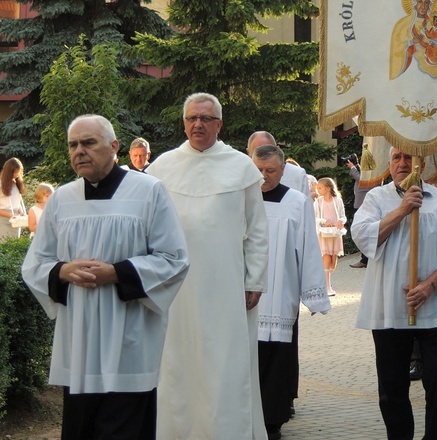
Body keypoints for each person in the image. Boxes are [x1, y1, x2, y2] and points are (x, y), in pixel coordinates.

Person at [21, 114, 189, 440]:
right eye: (73, 145)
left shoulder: (148, 191)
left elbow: (174, 259)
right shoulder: (61, 200)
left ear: (114, 147)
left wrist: (117, 273)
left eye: (88, 143)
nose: (79, 151)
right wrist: (62, 271)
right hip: (79, 342)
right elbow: (35, 264)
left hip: (130, 337)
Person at [147, 93, 269, 439]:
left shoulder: (241, 166)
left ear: (219, 124)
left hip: (227, 285)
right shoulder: (161, 168)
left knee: (224, 363)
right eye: (191, 118)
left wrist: (255, 278)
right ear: (183, 123)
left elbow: (257, 230)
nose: (197, 124)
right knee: (176, 364)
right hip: (175, 288)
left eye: (205, 118)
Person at [351, 147, 437, 440]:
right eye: (396, 157)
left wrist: (430, 284)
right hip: (390, 306)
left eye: (410, 157)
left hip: (434, 304)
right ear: (389, 163)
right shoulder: (377, 199)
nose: (403, 163)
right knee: (392, 387)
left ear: (423, 163)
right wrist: (403, 209)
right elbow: (363, 236)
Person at [251, 144, 330, 440]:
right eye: (258, 170)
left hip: (280, 294)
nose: (264, 176)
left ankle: (273, 422)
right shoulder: (240, 200)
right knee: (249, 358)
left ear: (283, 170)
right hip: (243, 297)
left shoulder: (296, 202)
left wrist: (313, 294)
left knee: (277, 359)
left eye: (270, 171)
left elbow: (309, 248)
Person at [390, 0, 437, 79]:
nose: (423, 6)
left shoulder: (433, 25)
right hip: (408, 71)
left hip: (428, 72)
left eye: (426, 2)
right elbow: (396, 47)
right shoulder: (402, 24)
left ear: (430, 5)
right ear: (413, 3)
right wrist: (411, 42)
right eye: (420, 1)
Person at [247, 131, 311, 199]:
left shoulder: (297, 175)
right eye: (258, 152)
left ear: (277, 149)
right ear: (249, 152)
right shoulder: (242, 176)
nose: (264, 176)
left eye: (270, 170)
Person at [314, 177, 346, 296]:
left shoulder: (337, 200)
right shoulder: (318, 202)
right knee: (326, 257)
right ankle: (327, 286)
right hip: (324, 233)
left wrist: (341, 221)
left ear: (328, 188)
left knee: (333, 259)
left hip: (335, 233)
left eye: (320, 187)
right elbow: (314, 217)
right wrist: (324, 221)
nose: (318, 190)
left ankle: (325, 280)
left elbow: (343, 215)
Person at [347, 153, 372, 269]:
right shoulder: (370, 173)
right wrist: (356, 166)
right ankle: (365, 259)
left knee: (362, 233)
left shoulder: (373, 175)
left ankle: (365, 260)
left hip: (364, 206)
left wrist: (353, 168)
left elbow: (362, 180)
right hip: (362, 205)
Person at [0, 157, 27, 238]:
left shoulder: (16, 184)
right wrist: (10, 214)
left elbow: (16, 202)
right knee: (4, 246)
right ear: (8, 172)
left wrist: (21, 212)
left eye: (18, 172)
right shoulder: (0, 185)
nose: (16, 175)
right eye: (15, 172)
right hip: (3, 220)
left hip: (16, 220)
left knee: (15, 246)